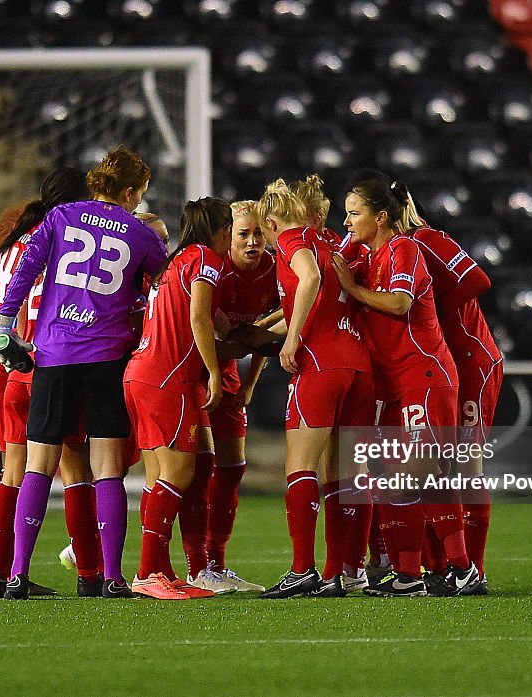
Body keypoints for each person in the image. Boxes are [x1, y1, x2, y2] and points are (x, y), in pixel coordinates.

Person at [0, 146, 167, 600]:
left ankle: (16, 574)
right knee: (107, 468)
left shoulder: (63, 216)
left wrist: (6, 324)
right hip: (107, 356)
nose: (140, 203)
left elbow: (27, 268)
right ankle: (111, 577)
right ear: (128, 191)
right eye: (140, 194)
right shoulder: (142, 234)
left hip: (54, 353)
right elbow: (162, 291)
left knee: (38, 466)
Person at [331, 170, 479, 597]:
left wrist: (351, 289)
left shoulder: (404, 249)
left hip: (424, 374)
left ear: (380, 217)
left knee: (425, 473)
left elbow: (400, 303)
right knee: (394, 479)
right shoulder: (369, 255)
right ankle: (409, 575)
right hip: (394, 382)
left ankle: (463, 568)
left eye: (353, 214)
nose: (347, 223)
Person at [0, 168, 87, 597]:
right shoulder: (64, 241)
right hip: (28, 357)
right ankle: (86, 569)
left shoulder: (19, 238)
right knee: (66, 465)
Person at [255, 179, 374, 599]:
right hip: (358, 365)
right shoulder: (330, 245)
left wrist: (290, 341)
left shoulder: (292, 241)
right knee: (344, 475)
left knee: (300, 468)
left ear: (272, 221)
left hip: (320, 366)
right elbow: (318, 302)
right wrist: (266, 328)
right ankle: (336, 571)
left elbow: (307, 283)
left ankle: (302, 569)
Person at [123, 197, 231, 600]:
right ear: (221, 232)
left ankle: (163, 569)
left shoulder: (175, 261)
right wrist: (215, 372)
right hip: (169, 378)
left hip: (142, 373)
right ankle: (148, 571)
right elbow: (199, 318)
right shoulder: (205, 259)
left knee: (165, 475)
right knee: (178, 475)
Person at [179, 200, 278, 594]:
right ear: (228, 236)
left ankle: (217, 564)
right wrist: (217, 371)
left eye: (258, 234)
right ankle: (195, 565)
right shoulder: (213, 267)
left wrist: (250, 383)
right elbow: (197, 325)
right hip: (192, 370)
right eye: (243, 234)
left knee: (232, 468)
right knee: (191, 470)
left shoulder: (272, 272)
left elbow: (258, 337)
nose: (253, 242)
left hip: (230, 371)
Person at [412, 211, 503, 596]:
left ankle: (474, 571)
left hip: (472, 360)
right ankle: (443, 567)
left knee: (465, 464)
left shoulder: (429, 239)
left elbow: (479, 280)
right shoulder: (387, 249)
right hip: (441, 363)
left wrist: (435, 305)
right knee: (433, 465)